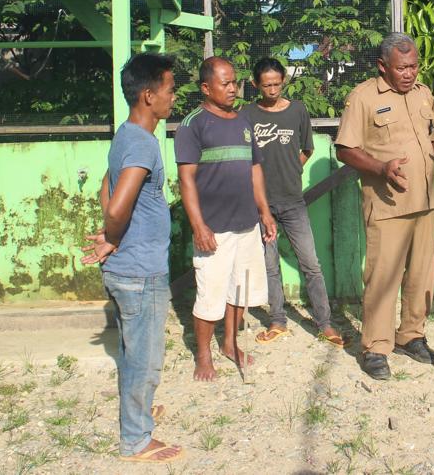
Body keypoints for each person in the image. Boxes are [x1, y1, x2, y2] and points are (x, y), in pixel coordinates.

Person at [335, 32, 434, 380]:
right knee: (383, 278)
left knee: (422, 275)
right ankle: (376, 347)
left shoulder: (423, 93)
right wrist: (380, 168)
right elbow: (344, 149)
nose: (409, 73)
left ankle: (411, 335)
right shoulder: (363, 98)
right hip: (387, 204)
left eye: (414, 66)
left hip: (425, 201)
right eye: (401, 68)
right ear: (383, 66)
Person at [80, 52, 183, 464]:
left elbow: (105, 185)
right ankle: (136, 439)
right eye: (170, 89)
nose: (173, 96)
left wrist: (112, 237)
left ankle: (138, 413)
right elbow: (118, 205)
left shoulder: (126, 135)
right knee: (144, 358)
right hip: (141, 272)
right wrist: (113, 234)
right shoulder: (142, 143)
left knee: (131, 350)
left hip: (128, 267)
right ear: (148, 95)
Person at [174, 56, 277, 382]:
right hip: (214, 229)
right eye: (225, 83)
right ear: (206, 88)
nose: (233, 88)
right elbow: (186, 180)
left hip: (246, 224)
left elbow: (255, 168)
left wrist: (264, 212)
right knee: (210, 295)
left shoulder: (243, 120)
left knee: (239, 291)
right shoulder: (192, 125)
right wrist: (198, 226)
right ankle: (203, 356)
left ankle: (230, 344)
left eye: (235, 82)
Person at [239, 57, 345, 347]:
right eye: (266, 85)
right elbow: (244, 158)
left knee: (310, 263)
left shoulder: (297, 110)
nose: (273, 90)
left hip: (293, 202)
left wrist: (293, 168)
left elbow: (307, 148)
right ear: (255, 84)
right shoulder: (247, 114)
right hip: (261, 204)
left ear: (284, 81)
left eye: (277, 84)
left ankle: (325, 324)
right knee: (269, 265)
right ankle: (277, 321)